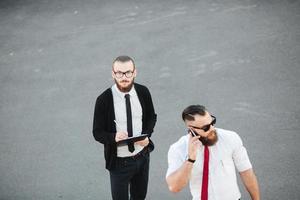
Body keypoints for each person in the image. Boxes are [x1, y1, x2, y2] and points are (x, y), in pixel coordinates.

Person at [93, 55, 157, 200]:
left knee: (139, 197)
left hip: (142, 157)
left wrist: (146, 135)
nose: (124, 77)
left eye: (128, 72)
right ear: (113, 74)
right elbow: (97, 132)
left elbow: (151, 117)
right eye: (119, 73)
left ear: (135, 72)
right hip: (119, 163)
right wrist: (113, 137)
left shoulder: (143, 92)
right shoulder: (104, 100)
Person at [166, 105, 260, 200]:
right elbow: (174, 187)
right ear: (191, 129)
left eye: (212, 122)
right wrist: (190, 159)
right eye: (205, 128)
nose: (212, 129)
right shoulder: (178, 149)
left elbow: (246, 173)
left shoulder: (230, 138)